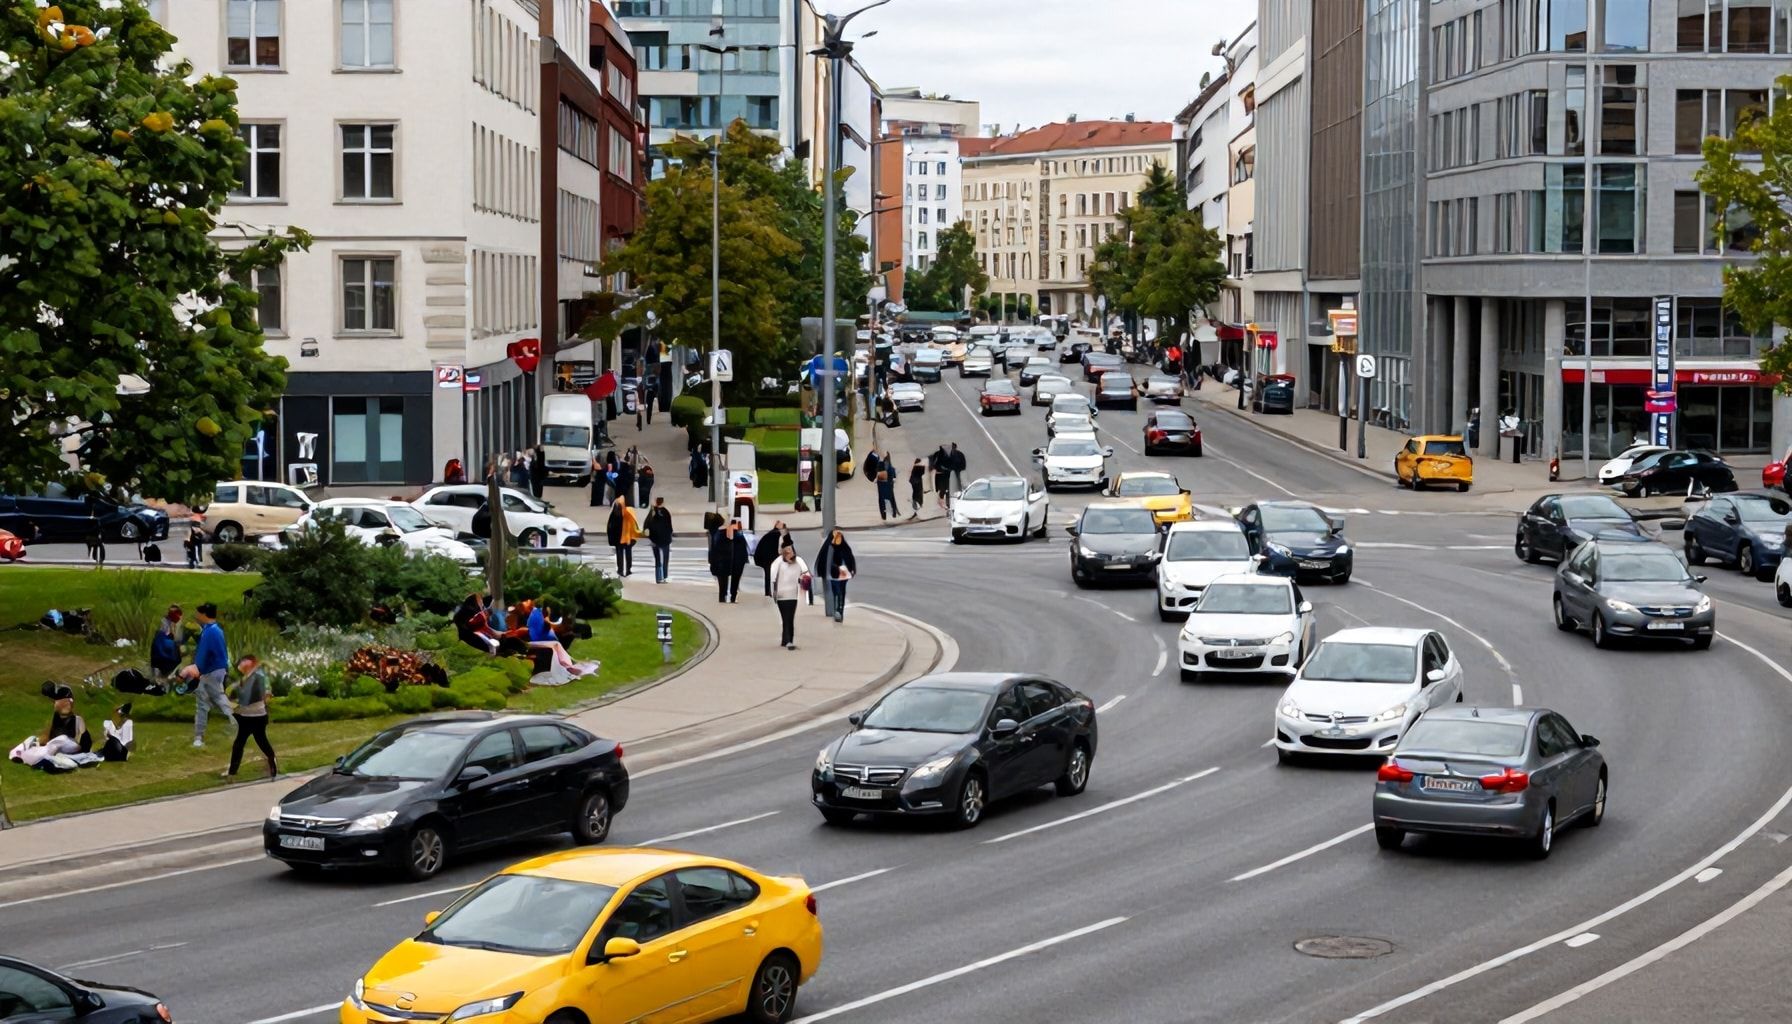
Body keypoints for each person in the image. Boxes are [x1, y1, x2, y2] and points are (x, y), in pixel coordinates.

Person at [8, 682, 94, 768]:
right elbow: (50, 735)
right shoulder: (56, 717)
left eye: (67, 702)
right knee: (33, 738)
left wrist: (83, 752)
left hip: (70, 745)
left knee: (61, 739)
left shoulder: (77, 719)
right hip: (54, 746)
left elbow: (86, 739)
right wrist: (41, 742)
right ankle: (16, 754)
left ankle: (34, 759)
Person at [189, 602, 235, 748]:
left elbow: (203, 654)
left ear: (204, 614)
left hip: (210, 671)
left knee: (207, 702)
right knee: (216, 699)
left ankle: (199, 738)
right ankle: (238, 725)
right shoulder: (215, 630)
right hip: (217, 670)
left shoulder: (210, 632)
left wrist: (196, 669)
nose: (196, 616)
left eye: (198, 613)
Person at [224, 654, 277, 780]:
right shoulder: (246, 678)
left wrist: (237, 704)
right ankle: (232, 772)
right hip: (246, 716)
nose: (240, 664)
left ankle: (272, 761)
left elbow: (256, 696)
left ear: (251, 662)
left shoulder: (259, 676)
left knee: (261, 742)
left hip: (257, 717)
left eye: (243, 661)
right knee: (239, 744)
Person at [769, 542, 808, 650]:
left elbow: (806, 574)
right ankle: (789, 641)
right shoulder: (778, 562)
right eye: (786, 550)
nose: (789, 552)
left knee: (790, 618)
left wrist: (803, 580)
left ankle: (785, 640)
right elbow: (773, 578)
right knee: (786, 618)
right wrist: (773, 592)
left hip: (793, 594)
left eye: (790, 549)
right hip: (781, 595)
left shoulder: (799, 561)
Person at [815, 530, 857, 622]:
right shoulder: (829, 548)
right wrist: (835, 569)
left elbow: (850, 559)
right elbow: (825, 562)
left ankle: (839, 611)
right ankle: (837, 610)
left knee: (841, 592)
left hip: (844, 575)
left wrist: (851, 570)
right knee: (836, 592)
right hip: (833, 575)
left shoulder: (845, 548)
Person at [709, 518, 750, 603]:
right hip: (734, 559)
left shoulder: (719, 534)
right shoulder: (737, 534)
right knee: (733, 579)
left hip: (727, 560)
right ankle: (731, 596)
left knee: (725, 580)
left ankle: (725, 596)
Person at [607, 495, 640, 577]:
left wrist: (611, 539)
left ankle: (621, 569)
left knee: (620, 554)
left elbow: (610, 527)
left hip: (618, 538)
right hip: (627, 538)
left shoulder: (614, 514)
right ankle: (628, 569)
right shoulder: (628, 513)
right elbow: (632, 525)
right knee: (628, 553)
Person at [752, 519, 785, 596]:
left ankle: (768, 592)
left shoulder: (768, 534)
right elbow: (781, 549)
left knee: (768, 576)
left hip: (764, 558)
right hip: (773, 558)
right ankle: (776, 592)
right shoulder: (780, 535)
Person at [644, 497, 674, 583]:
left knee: (657, 559)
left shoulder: (652, 512)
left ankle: (658, 578)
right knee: (665, 559)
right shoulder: (666, 512)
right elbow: (670, 527)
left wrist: (649, 535)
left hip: (655, 539)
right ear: (663, 502)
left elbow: (646, 524)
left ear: (656, 502)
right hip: (665, 539)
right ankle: (664, 576)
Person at [151, 605, 183, 679]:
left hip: (163, 649)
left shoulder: (167, 622)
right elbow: (176, 638)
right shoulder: (166, 623)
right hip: (165, 648)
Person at [875, 450, 899, 521]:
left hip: (882, 484)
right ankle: (893, 512)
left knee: (882, 500)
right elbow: (894, 478)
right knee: (891, 498)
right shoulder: (891, 467)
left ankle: (884, 514)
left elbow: (877, 474)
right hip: (889, 485)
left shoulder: (880, 465)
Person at [931, 445, 953, 510]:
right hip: (941, 477)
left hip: (946, 476)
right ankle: (943, 502)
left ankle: (947, 504)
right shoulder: (938, 456)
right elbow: (934, 467)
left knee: (947, 490)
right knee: (943, 489)